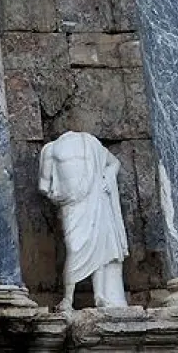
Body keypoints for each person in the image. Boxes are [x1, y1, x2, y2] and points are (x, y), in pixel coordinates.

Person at [38, 131, 129, 311]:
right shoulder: (51, 149)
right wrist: (59, 198)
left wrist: (107, 178)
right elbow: (43, 184)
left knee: (99, 247)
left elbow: (114, 163)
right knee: (74, 247)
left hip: (95, 200)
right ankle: (67, 298)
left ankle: (100, 296)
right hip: (70, 205)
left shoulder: (91, 143)